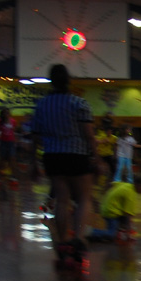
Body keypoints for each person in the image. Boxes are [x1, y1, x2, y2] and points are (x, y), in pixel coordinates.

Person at [31, 64, 95, 260]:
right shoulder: (79, 103)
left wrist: (34, 161)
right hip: (76, 156)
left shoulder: (41, 105)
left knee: (62, 200)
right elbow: (88, 135)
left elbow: (35, 136)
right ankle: (78, 238)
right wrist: (97, 158)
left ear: (51, 81)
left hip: (52, 157)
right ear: (69, 80)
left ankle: (63, 242)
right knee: (84, 199)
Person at [88, 175, 141, 242]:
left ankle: (119, 229)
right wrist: (128, 234)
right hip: (111, 213)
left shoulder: (127, 185)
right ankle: (89, 231)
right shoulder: (130, 194)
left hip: (106, 208)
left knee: (125, 222)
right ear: (139, 185)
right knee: (112, 234)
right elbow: (128, 216)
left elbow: (111, 184)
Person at [0, 107, 18, 179]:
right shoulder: (0, 122)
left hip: (11, 142)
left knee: (12, 158)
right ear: (3, 114)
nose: (6, 114)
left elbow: (14, 131)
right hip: (3, 142)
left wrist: (16, 141)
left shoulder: (13, 121)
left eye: (7, 113)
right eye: (5, 113)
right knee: (2, 159)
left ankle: (13, 175)